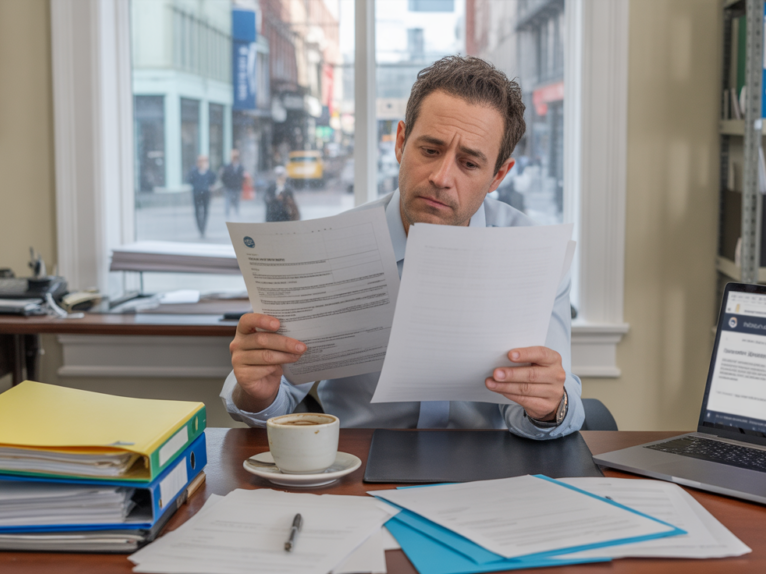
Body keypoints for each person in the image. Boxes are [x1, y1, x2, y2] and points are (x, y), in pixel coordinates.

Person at [221, 56, 584, 439]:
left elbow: (561, 411)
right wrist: (257, 394)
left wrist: (549, 406)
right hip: (356, 469)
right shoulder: (326, 249)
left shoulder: (537, 258)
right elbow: (272, 405)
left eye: (469, 163)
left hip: (485, 469)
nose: (441, 178)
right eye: (430, 150)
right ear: (400, 142)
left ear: (498, 176)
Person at [187, 155, 216, 238]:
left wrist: (210, 186)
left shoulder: (209, 172)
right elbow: (190, 180)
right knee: (197, 211)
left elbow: (213, 179)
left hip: (206, 194)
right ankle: (200, 228)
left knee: (205, 211)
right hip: (196, 194)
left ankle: (203, 228)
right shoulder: (194, 172)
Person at [220, 149, 245, 218]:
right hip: (229, 187)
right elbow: (223, 177)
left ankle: (236, 214)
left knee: (236, 201)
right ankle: (227, 215)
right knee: (228, 201)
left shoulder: (240, 167)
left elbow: (242, 177)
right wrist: (226, 183)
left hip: (237, 187)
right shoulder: (227, 167)